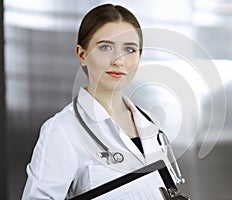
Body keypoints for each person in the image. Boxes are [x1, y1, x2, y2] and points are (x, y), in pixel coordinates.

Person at [21, 3, 171, 199]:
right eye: (106, 47)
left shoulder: (149, 121)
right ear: (82, 54)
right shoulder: (62, 130)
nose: (119, 60)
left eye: (130, 49)